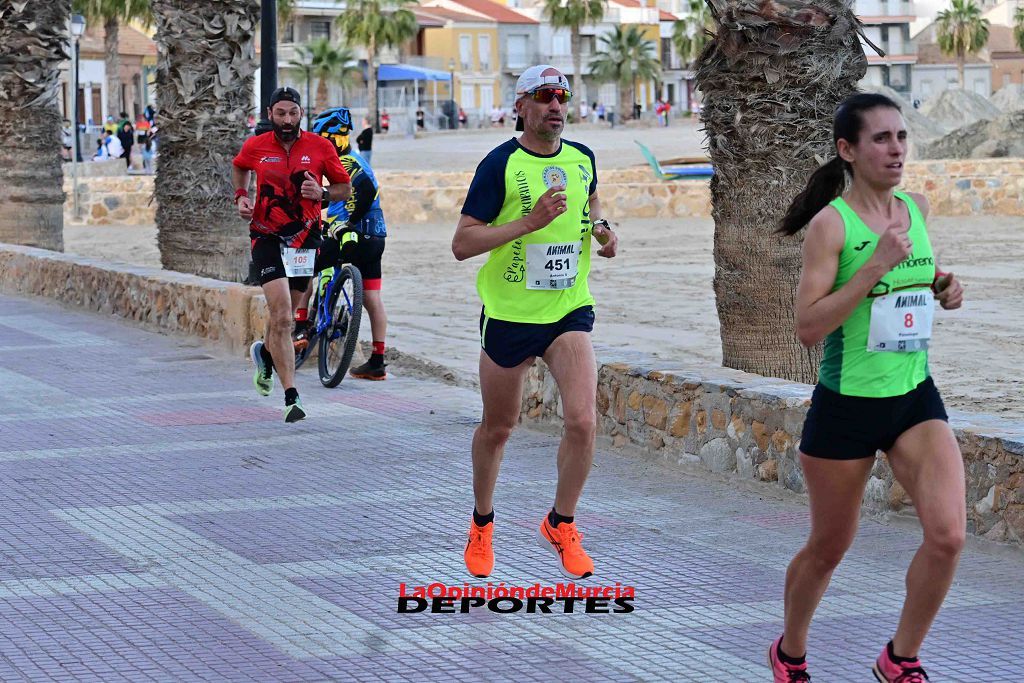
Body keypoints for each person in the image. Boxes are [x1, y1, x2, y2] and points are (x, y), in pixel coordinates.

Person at [768, 92, 966, 683]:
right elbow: (808, 327)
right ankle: (791, 651)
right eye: (881, 139)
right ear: (847, 151)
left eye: (901, 136)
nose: (897, 148)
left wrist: (944, 287)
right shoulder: (833, 225)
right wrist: (876, 265)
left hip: (913, 397)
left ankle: (900, 658)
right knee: (830, 547)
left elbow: (918, 277)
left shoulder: (917, 207)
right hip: (846, 406)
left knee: (949, 536)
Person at [452, 65, 618, 580]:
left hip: (568, 308)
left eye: (563, 96)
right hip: (509, 314)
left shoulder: (583, 158)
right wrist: (529, 222)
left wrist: (605, 233)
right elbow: (462, 244)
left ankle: (561, 522)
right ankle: (482, 523)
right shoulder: (498, 163)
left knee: (583, 420)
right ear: (520, 105)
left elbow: (591, 208)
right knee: (499, 428)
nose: (556, 105)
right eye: (545, 96)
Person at [232, 87, 352, 423]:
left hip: (305, 237)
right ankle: (291, 396)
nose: (287, 119)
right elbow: (239, 167)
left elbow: (345, 188)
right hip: (266, 235)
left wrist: (324, 193)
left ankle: (266, 354)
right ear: (270, 113)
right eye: (281, 113)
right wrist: (242, 197)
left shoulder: (320, 147)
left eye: (293, 113)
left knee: (288, 314)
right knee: (283, 316)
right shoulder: (256, 146)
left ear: (302, 114)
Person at [295, 106, 391, 381]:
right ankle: (377, 360)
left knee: (305, 265)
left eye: (322, 138)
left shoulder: (347, 162)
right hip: (377, 236)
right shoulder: (354, 160)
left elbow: (366, 190)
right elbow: (332, 197)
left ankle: (301, 325)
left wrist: (349, 223)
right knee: (372, 297)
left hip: (353, 235)